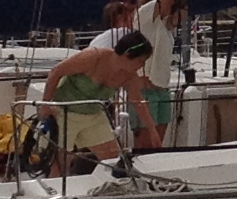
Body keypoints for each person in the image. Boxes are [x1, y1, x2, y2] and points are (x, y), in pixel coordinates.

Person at [43, 32, 158, 169]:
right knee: (60, 165)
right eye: (141, 61)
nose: (142, 65)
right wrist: (45, 104)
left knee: (115, 161)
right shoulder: (93, 57)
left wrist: (152, 130)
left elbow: (138, 102)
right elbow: (56, 71)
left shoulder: (130, 76)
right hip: (64, 112)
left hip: (94, 115)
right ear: (128, 55)